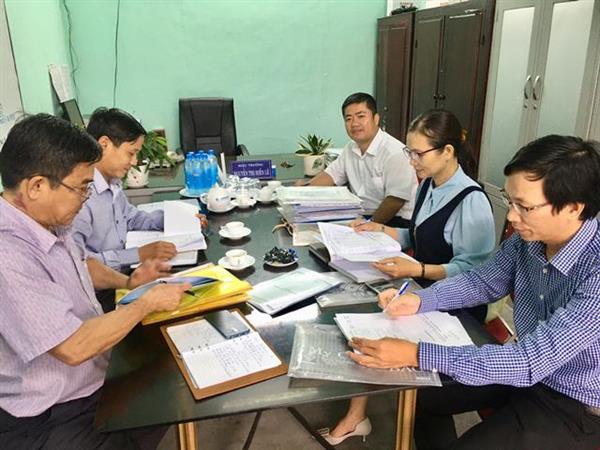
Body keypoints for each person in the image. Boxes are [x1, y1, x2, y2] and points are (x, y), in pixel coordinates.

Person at [348, 134, 600, 450]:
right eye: (510, 201)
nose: (511, 217)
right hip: (524, 372)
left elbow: (529, 361)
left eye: (524, 207)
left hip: (575, 401)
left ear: (573, 208)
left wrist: (416, 353)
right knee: (421, 396)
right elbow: (481, 281)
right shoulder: (528, 241)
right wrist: (419, 300)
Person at [0, 114, 189, 450]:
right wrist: (146, 302)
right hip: (50, 414)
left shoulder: (48, 221)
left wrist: (129, 282)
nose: (86, 197)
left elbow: (84, 264)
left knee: (172, 391)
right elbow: (73, 347)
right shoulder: (8, 253)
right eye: (81, 188)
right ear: (36, 186)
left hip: (92, 375)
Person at [322, 109, 496, 445]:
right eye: (409, 152)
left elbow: (476, 272)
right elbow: (416, 235)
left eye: (418, 154)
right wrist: (380, 230)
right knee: (364, 316)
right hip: (421, 287)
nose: (412, 161)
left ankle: (380, 414)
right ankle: (357, 415)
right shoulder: (428, 185)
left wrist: (418, 269)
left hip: (457, 304)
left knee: (422, 394)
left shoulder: (471, 199)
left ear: (447, 151)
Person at [71, 107, 206, 312]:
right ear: (104, 144)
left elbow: (133, 218)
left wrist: (176, 219)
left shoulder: (112, 183)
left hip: (128, 278)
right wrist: (138, 254)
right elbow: (78, 265)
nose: (134, 162)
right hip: (101, 295)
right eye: (131, 153)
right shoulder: (80, 197)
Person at [297, 92, 417, 227]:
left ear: (376, 119)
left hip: (395, 221)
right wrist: (302, 191)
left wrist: (367, 225)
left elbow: (395, 201)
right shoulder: (350, 148)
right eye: (348, 119)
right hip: (361, 216)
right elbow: (331, 175)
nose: (354, 123)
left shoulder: (394, 153)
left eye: (361, 116)